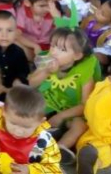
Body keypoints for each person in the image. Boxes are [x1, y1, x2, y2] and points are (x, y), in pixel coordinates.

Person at [29, 27, 102, 164]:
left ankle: (60, 148)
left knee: (80, 125)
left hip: (72, 111)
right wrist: (45, 72)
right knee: (33, 118)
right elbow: (31, 83)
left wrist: (61, 116)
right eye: (53, 46)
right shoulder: (46, 61)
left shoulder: (84, 71)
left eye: (62, 50)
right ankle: (37, 150)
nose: (54, 52)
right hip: (48, 105)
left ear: (77, 55)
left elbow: (85, 104)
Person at [0, 86, 61, 174]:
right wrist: (2, 163)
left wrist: (30, 170)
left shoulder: (45, 141)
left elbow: (53, 170)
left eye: (26, 127)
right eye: (13, 123)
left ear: (41, 122)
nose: (18, 131)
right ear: (3, 113)